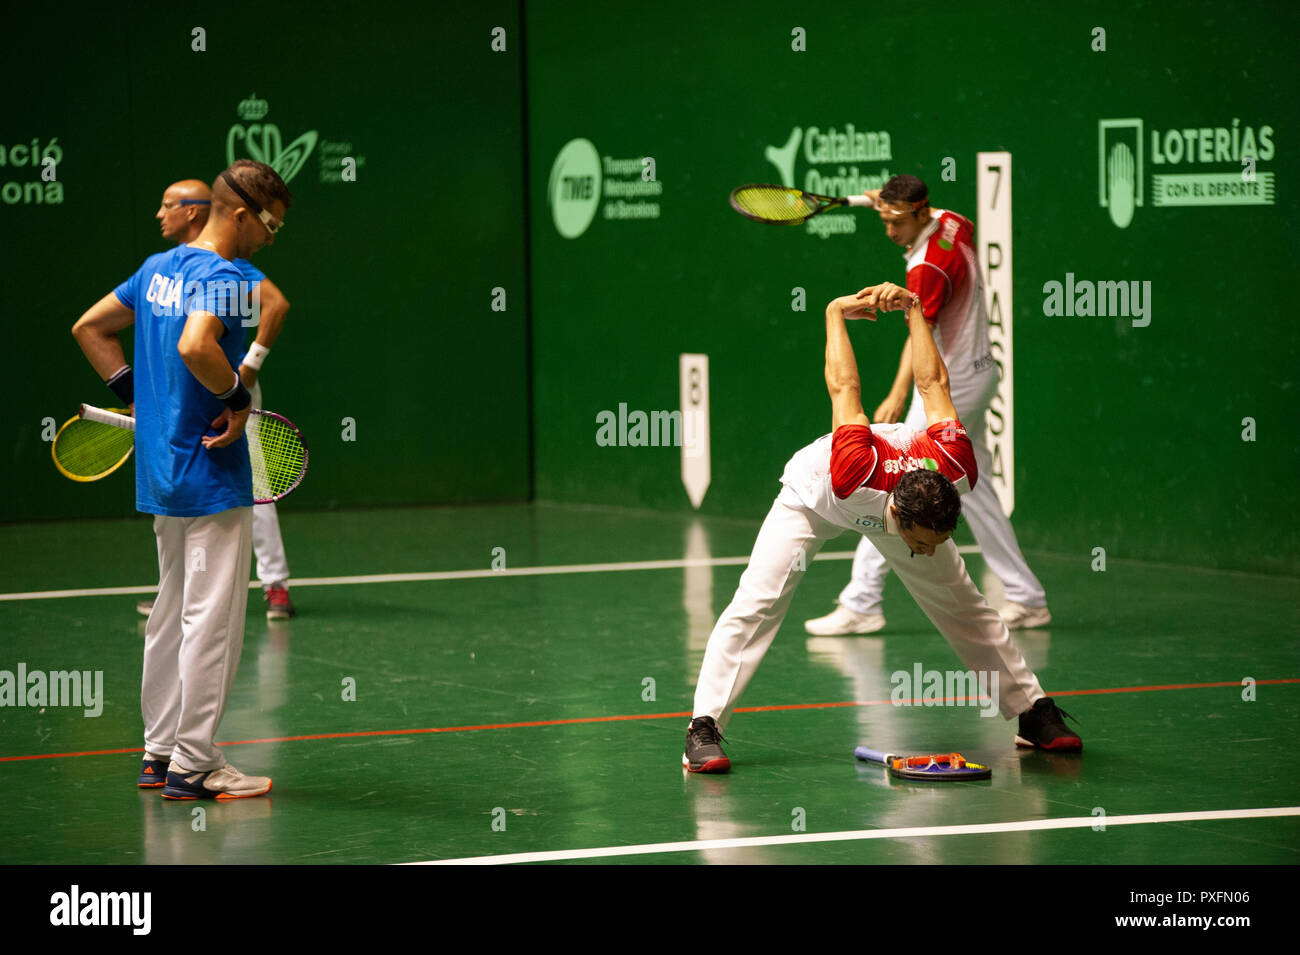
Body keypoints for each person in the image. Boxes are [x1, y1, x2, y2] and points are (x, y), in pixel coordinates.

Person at [683, 282, 1081, 773]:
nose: (928, 551)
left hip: (896, 499)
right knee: (758, 601)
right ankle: (702, 728)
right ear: (898, 516)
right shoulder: (854, 469)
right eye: (921, 543)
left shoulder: (952, 463)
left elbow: (935, 385)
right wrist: (833, 313)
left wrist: (915, 310)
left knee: (966, 606)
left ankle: (1032, 712)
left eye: (939, 541)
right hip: (815, 499)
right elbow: (844, 388)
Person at [72, 159, 291, 798]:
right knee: (210, 621)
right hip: (211, 474)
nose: (273, 238)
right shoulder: (223, 276)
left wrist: (134, 393)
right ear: (242, 216)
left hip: (164, 474)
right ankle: (195, 765)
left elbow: (89, 328)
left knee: (171, 610)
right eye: (271, 224)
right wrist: (239, 396)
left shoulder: (157, 269)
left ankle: (159, 751)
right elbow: (197, 346)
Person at [804, 175, 1050, 635]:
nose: (889, 231)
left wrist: (898, 395)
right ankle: (1027, 598)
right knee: (973, 492)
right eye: (883, 219)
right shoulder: (951, 222)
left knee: (900, 483)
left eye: (897, 222)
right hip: (980, 372)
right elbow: (906, 208)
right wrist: (881, 202)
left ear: (920, 213)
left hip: (951, 382)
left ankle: (861, 602)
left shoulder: (926, 270)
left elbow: (922, 338)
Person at [134, 178, 297, 620]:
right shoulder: (165, 269)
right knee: (180, 495)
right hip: (184, 400)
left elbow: (275, 306)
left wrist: (247, 371)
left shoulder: (232, 266)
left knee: (249, 485)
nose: (159, 213)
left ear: (194, 211)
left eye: (168, 205)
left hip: (228, 391)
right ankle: (178, 590)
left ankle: (274, 583)